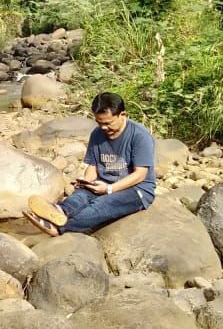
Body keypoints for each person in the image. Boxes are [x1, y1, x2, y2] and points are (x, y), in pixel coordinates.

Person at [25, 92, 156, 236]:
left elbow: (140, 175)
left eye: (108, 123)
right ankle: (60, 211)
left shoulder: (139, 135)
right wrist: (87, 181)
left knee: (101, 205)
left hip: (136, 190)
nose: (104, 128)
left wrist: (109, 189)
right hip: (104, 183)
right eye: (99, 123)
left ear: (122, 115)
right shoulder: (97, 134)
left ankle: (60, 228)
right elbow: (93, 166)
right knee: (80, 195)